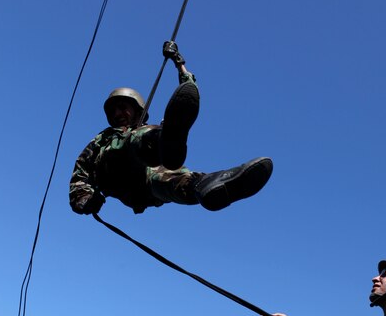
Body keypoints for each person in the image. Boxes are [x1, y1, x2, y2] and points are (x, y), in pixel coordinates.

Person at [69, 41, 273, 218]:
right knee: (136, 139)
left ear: (138, 111)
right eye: (113, 110)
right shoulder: (103, 139)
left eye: (123, 108)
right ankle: (160, 141)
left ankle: (205, 187)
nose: (118, 113)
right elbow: (80, 174)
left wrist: (179, 63)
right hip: (117, 175)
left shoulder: (141, 129)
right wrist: (84, 199)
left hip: (145, 186)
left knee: (170, 179)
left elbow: (188, 93)